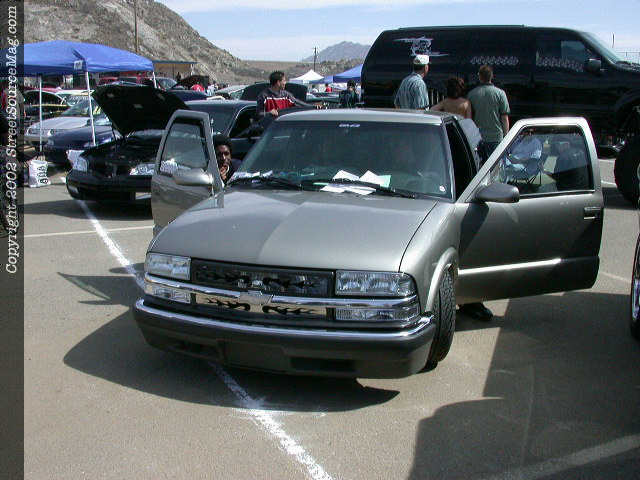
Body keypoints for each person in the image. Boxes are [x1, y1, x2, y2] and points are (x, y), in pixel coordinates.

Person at [467, 65, 510, 163]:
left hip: (478, 137)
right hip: (496, 137)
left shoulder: (472, 94)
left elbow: (469, 118)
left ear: (479, 76)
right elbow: (504, 117)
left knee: (480, 166)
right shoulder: (500, 93)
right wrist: (506, 136)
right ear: (492, 76)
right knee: (496, 166)